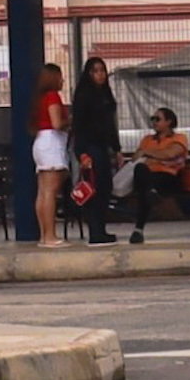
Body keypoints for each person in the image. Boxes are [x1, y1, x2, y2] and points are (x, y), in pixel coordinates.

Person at [69, 55, 121, 245]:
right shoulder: (84, 95)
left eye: (102, 71)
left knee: (105, 187)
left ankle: (101, 227)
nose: (100, 75)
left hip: (103, 146)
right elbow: (79, 126)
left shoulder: (106, 95)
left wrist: (117, 149)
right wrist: (81, 152)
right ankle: (95, 230)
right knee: (93, 187)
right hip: (90, 147)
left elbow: (111, 125)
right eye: (95, 71)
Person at [128, 107, 190, 243]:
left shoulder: (179, 138)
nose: (154, 122)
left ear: (169, 122)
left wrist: (147, 153)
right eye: (152, 119)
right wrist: (157, 155)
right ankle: (151, 193)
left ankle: (138, 229)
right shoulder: (147, 139)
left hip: (167, 177)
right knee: (141, 171)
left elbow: (170, 154)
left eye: (158, 119)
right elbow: (135, 158)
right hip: (147, 176)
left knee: (144, 190)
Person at [30, 62, 70, 248]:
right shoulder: (53, 96)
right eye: (60, 76)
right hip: (52, 143)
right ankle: (51, 236)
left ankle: (43, 235)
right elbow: (56, 123)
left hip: (41, 143)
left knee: (43, 191)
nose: (63, 80)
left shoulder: (40, 98)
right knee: (51, 192)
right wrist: (70, 120)